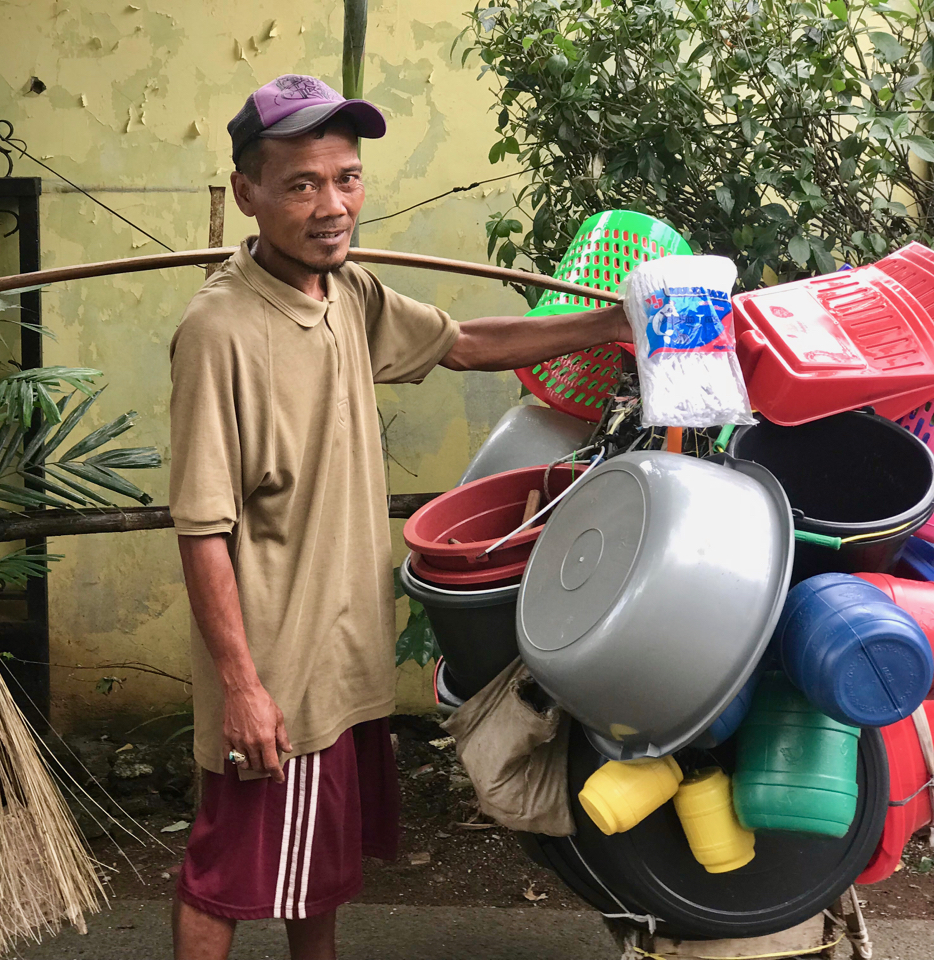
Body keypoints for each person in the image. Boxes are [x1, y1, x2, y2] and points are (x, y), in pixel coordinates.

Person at [168, 75, 632, 960]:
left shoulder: (348, 294)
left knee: (322, 869)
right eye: (302, 184)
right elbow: (200, 526)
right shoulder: (219, 330)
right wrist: (241, 686)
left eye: (346, 178)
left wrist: (608, 325)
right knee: (224, 878)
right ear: (248, 194)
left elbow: (464, 344)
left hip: (344, 660)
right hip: (279, 670)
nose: (332, 204)